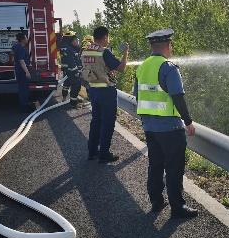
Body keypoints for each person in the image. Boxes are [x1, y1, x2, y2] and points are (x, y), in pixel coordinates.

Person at [134, 29, 198, 219]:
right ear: (167, 46)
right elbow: (177, 96)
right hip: (170, 128)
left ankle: (156, 202)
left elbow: (138, 96)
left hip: (150, 127)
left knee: (155, 165)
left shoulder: (142, 67)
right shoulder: (169, 67)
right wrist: (188, 121)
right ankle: (178, 207)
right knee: (174, 168)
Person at [81, 26, 129, 163]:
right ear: (105, 37)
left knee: (96, 121)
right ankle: (104, 154)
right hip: (106, 92)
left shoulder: (86, 51)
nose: (108, 40)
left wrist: (106, 70)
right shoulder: (104, 52)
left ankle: (92, 151)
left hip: (93, 90)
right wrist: (125, 52)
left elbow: (94, 68)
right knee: (108, 123)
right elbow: (121, 68)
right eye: (108, 37)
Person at [60, 31, 85, 108]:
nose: (78, 42)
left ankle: (65, 98)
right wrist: (76, 71)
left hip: (68, 72)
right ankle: (74, 103)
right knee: (76, 86)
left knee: (66, 85)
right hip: (72, 72)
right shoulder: (70, 50)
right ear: (71, 40)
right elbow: (72, 62)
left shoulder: (67, 48)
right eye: (76, 40)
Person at [12, 32, 33, 113]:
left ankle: (24, 105)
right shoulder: (21, 48)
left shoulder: (15, 46)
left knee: (22, 88)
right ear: (23, 39)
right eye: (26, 38)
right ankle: (24, 107)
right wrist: (27, 72)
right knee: (24, 89)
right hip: (22, 71)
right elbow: (21, 61)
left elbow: (13, 57)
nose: (27, 39)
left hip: (18, 70)